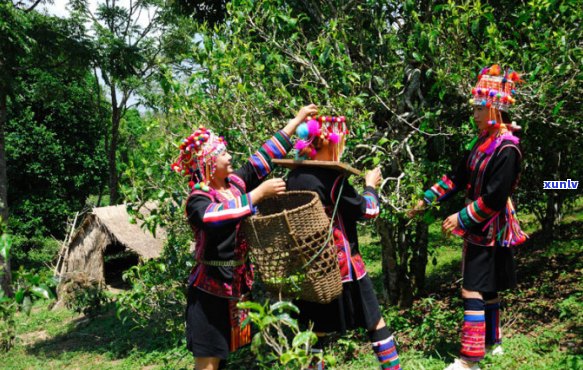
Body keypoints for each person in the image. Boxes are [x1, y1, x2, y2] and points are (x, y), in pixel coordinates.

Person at [172, 104, 318, 370]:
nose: (229, 157)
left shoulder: (235, 184)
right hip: (208, 293)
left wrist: (296, 121)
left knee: (224, 357)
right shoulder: (198, 199)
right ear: (208, 162)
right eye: (223, 153)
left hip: (238, 287)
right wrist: (256, 195)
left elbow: (262, 158)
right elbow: (213, 217)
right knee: (207, 361)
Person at [408, 65, 527, 370]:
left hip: (489, 225)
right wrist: (427, 198)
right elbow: (457, 177)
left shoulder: (507, 149)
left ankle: (470, 359)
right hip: (479, 224)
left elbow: (496, 197)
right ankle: (493, 342)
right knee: (487, 286)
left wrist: (460, 218)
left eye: (479, 107)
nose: (474, 113)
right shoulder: (481, 143)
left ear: (495, 110)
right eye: (474, 107)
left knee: (472, 287)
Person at [287, 115, 401, 370]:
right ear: (329, 144)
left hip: (311, 268)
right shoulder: (332, 180)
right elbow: (368, 211)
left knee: (315, 330)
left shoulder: (292, 178)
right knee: (375, 322)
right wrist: (370, 187)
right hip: (343, 268)